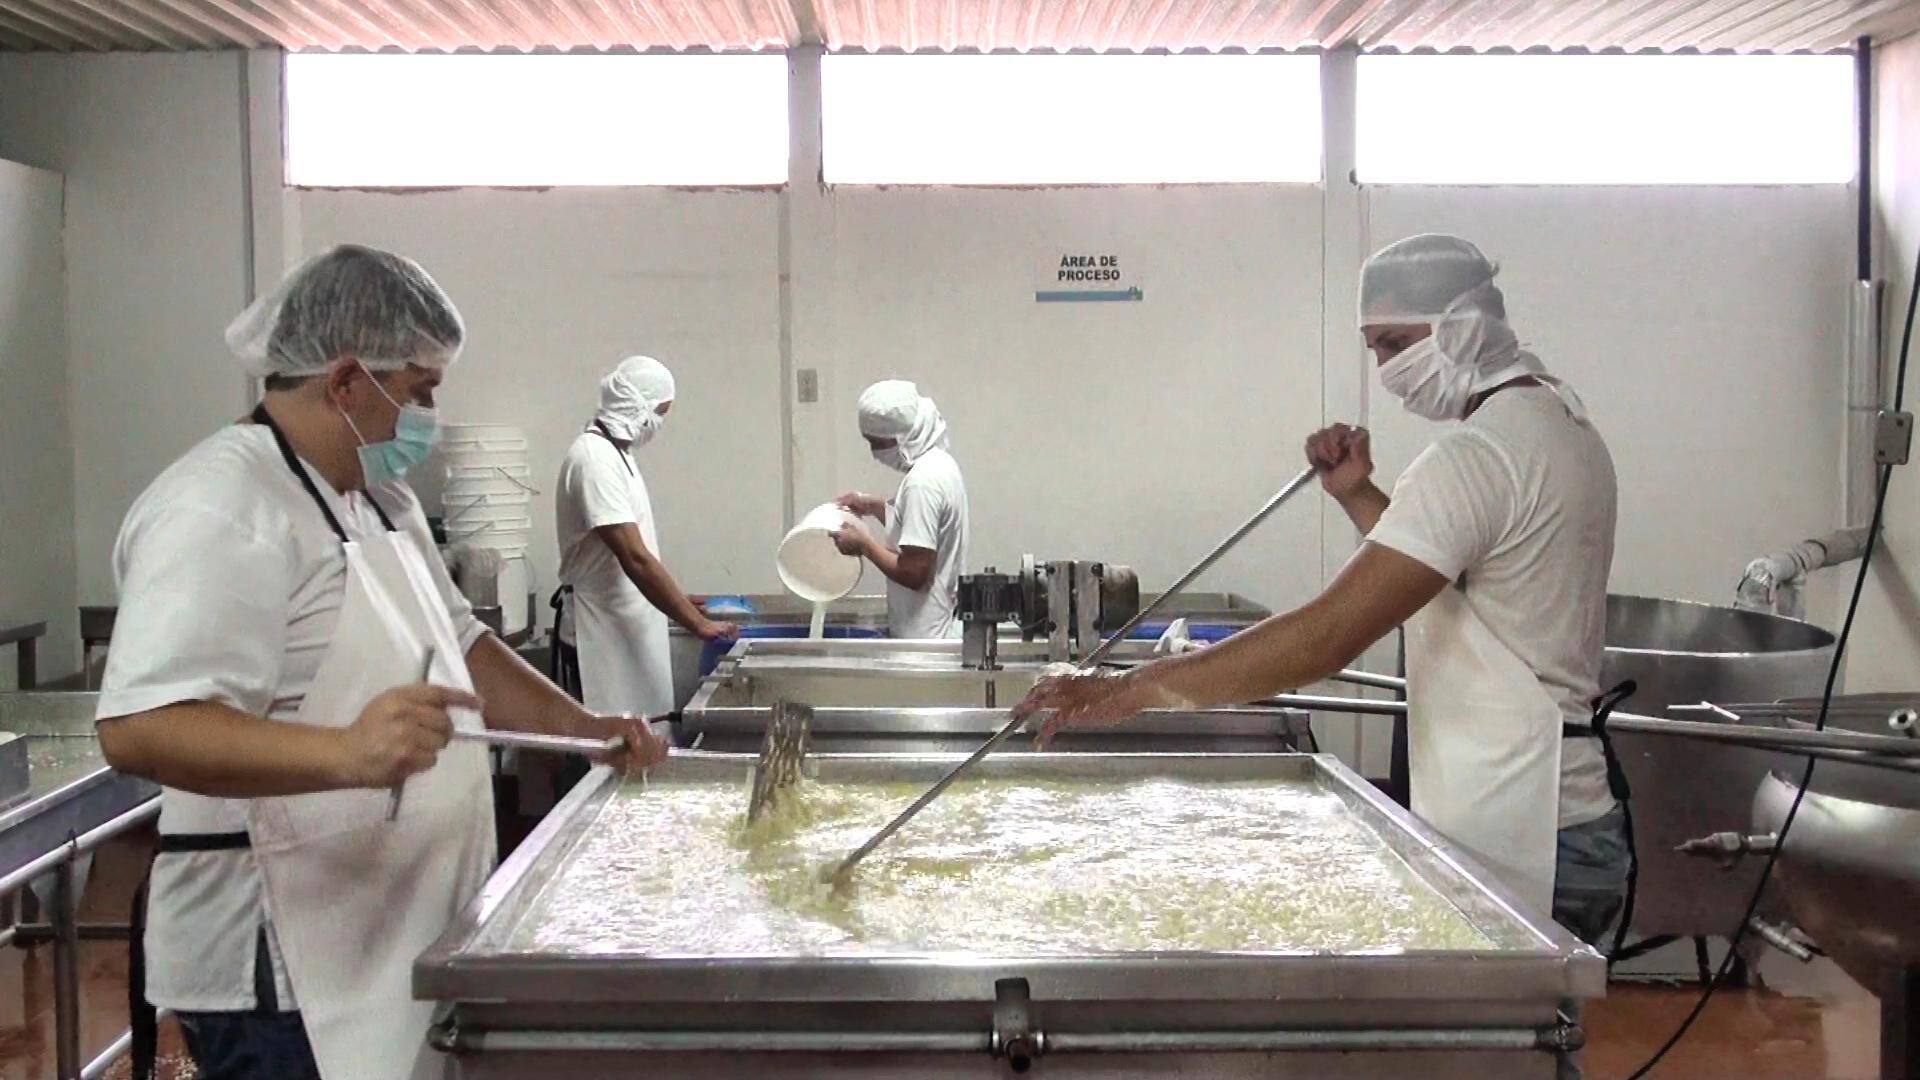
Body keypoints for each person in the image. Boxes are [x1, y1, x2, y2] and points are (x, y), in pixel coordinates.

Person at [96, 245, 667, 1080]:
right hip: (278, 963)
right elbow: (141, 728)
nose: (430, 414)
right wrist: (345, 754)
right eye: (420, 391)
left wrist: (588, 734)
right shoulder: (222, 506)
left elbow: (463, 649)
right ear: (347, 381)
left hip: (387, 926)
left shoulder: (378, 497)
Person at [1015, 234, 1630, 950]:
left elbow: (1329, 634)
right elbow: (1446, 588)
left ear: (1463, 328)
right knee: (1531, 1047)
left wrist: (1126, 690)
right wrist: (1358, 494)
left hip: (1527, 825)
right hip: (1568, 815)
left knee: (1501, 1053)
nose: (1388, 370)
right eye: (1375, 350)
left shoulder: (1477, 455)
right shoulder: (1561, 428)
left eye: (1396, 343)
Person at [552, 355, 738, 735]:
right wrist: (698, 623)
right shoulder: (595, 460)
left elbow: (633, 555)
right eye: (660, 413)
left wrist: (681, 601)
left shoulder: (618, 454)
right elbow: (634, 558)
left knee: (642, 736)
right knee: (611, 747)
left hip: (626, 623)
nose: (659, 425)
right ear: (638, 407)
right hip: (600, 632)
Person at [833, 380, 971, 639]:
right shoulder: (940, 464)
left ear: (901, 438)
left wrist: (865, 546)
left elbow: (914, 572)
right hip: (935, 631)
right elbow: (921, 534)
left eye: (877, 443)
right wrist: (872, 506)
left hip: (926, 643)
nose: (874, 452)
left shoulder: (923, 483)